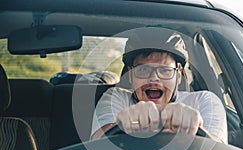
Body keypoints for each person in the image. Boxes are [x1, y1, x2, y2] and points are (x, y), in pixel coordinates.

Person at [91, 28, 228, 143]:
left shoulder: (204, 101)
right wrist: (122, 125)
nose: (154, 78)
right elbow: (97, 142)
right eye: (143, 69)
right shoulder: (116, 97)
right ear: (130, 75)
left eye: (164, 70)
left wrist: (194, 128)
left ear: (178, 75)